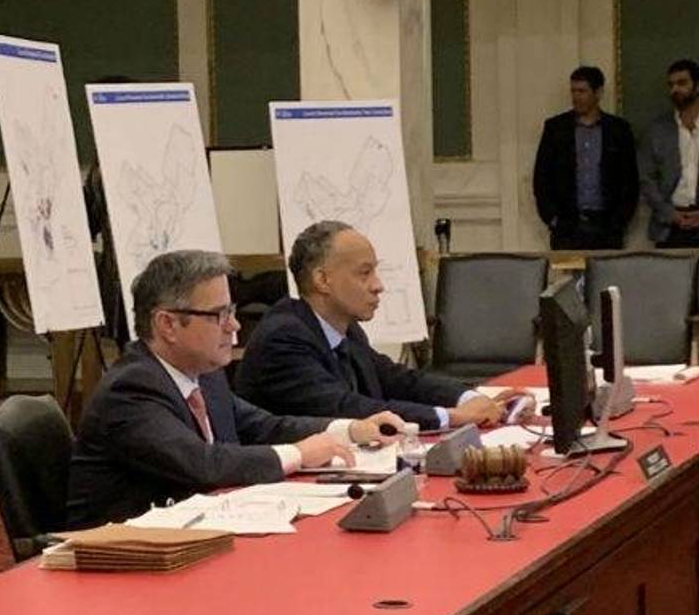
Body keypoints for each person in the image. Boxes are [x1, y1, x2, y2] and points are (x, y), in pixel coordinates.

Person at [66, 249, 405, 529]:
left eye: (231, 311)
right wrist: (300, 453)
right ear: (167, 324)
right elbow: (203, 464)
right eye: (219, 315)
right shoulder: (131, 390)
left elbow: (264, 426)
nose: (235, 325)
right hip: (117, 565)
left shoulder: (205, 375)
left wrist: (349, 430)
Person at [236, 220, 509, 432]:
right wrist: (452, 417)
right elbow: (347, 408)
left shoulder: (346, 329)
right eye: (364, 273)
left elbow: (397, 379)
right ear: (322, 280)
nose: (378, 286)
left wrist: (469, 398)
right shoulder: (284, 337)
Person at [532, 66, 638, 249]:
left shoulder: (618, 129)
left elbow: (630, 179)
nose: (576, 97)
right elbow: (541, 177)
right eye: (573, 91)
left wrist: (620, 220)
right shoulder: (556, 128)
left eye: (582, 91)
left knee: (607, 277)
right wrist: (552, 218)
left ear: (598, 93)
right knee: (568, 277)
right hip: (567, 225)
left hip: (607, 225)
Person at [640, 59, 699, 247]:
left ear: (697, 86)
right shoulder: (656, 130)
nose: (675, 90)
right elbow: (646, 178)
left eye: (682, 83)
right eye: (671, 85)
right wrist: (668, 213)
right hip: (670, 225)